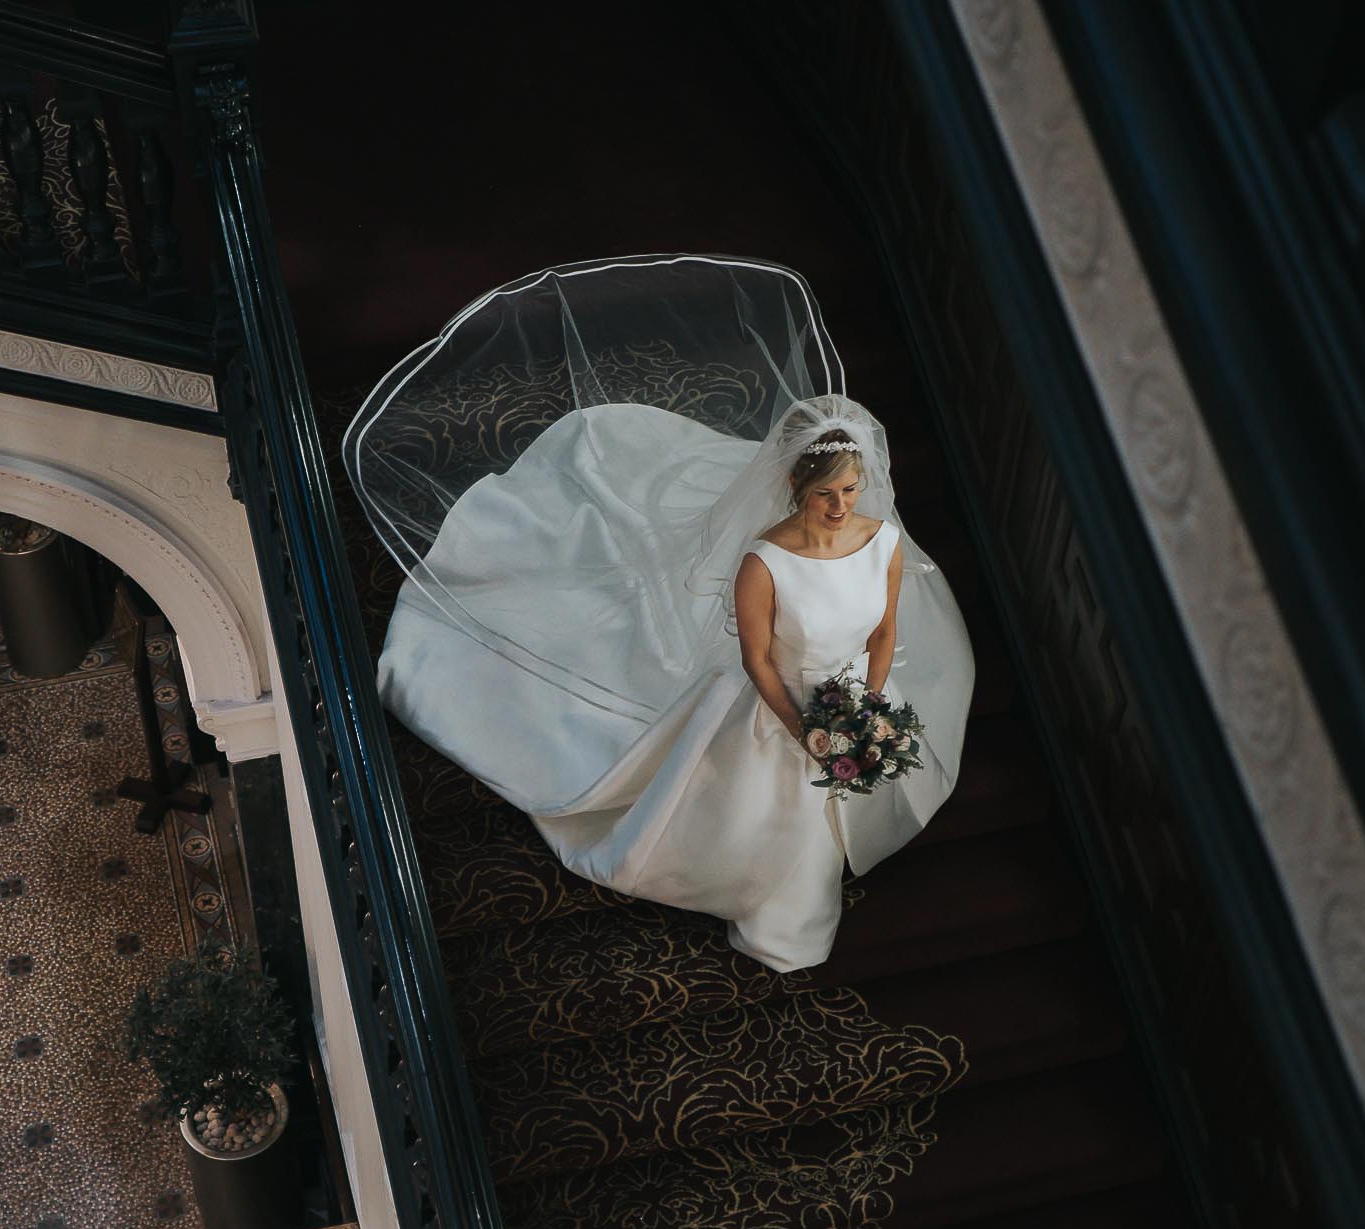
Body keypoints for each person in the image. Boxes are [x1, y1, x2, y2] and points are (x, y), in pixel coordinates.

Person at [348, 256, 973, 971]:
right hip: (768, 706)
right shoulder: (764, 561)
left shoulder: (880, 540)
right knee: (759, 796)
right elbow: (757, 660)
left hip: (844, 692)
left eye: (853, 491)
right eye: (829, 492)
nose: (842, 507)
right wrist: (807, 731)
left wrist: (866, 703)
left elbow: (888, 626)